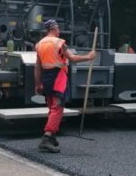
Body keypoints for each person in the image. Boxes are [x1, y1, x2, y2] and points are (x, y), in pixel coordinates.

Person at [34, 19, 96, 153]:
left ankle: (52, 136)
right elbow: (72, 58)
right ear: (55, 29)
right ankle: (47, 137)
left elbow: (37, 67)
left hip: (46, 78)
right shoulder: (59, 42)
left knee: (52, 108)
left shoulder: (39, 44)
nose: (59, 31)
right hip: (58, 77)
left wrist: (38, 84)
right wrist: (89, 56)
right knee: (57, 108)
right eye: (58, 29)